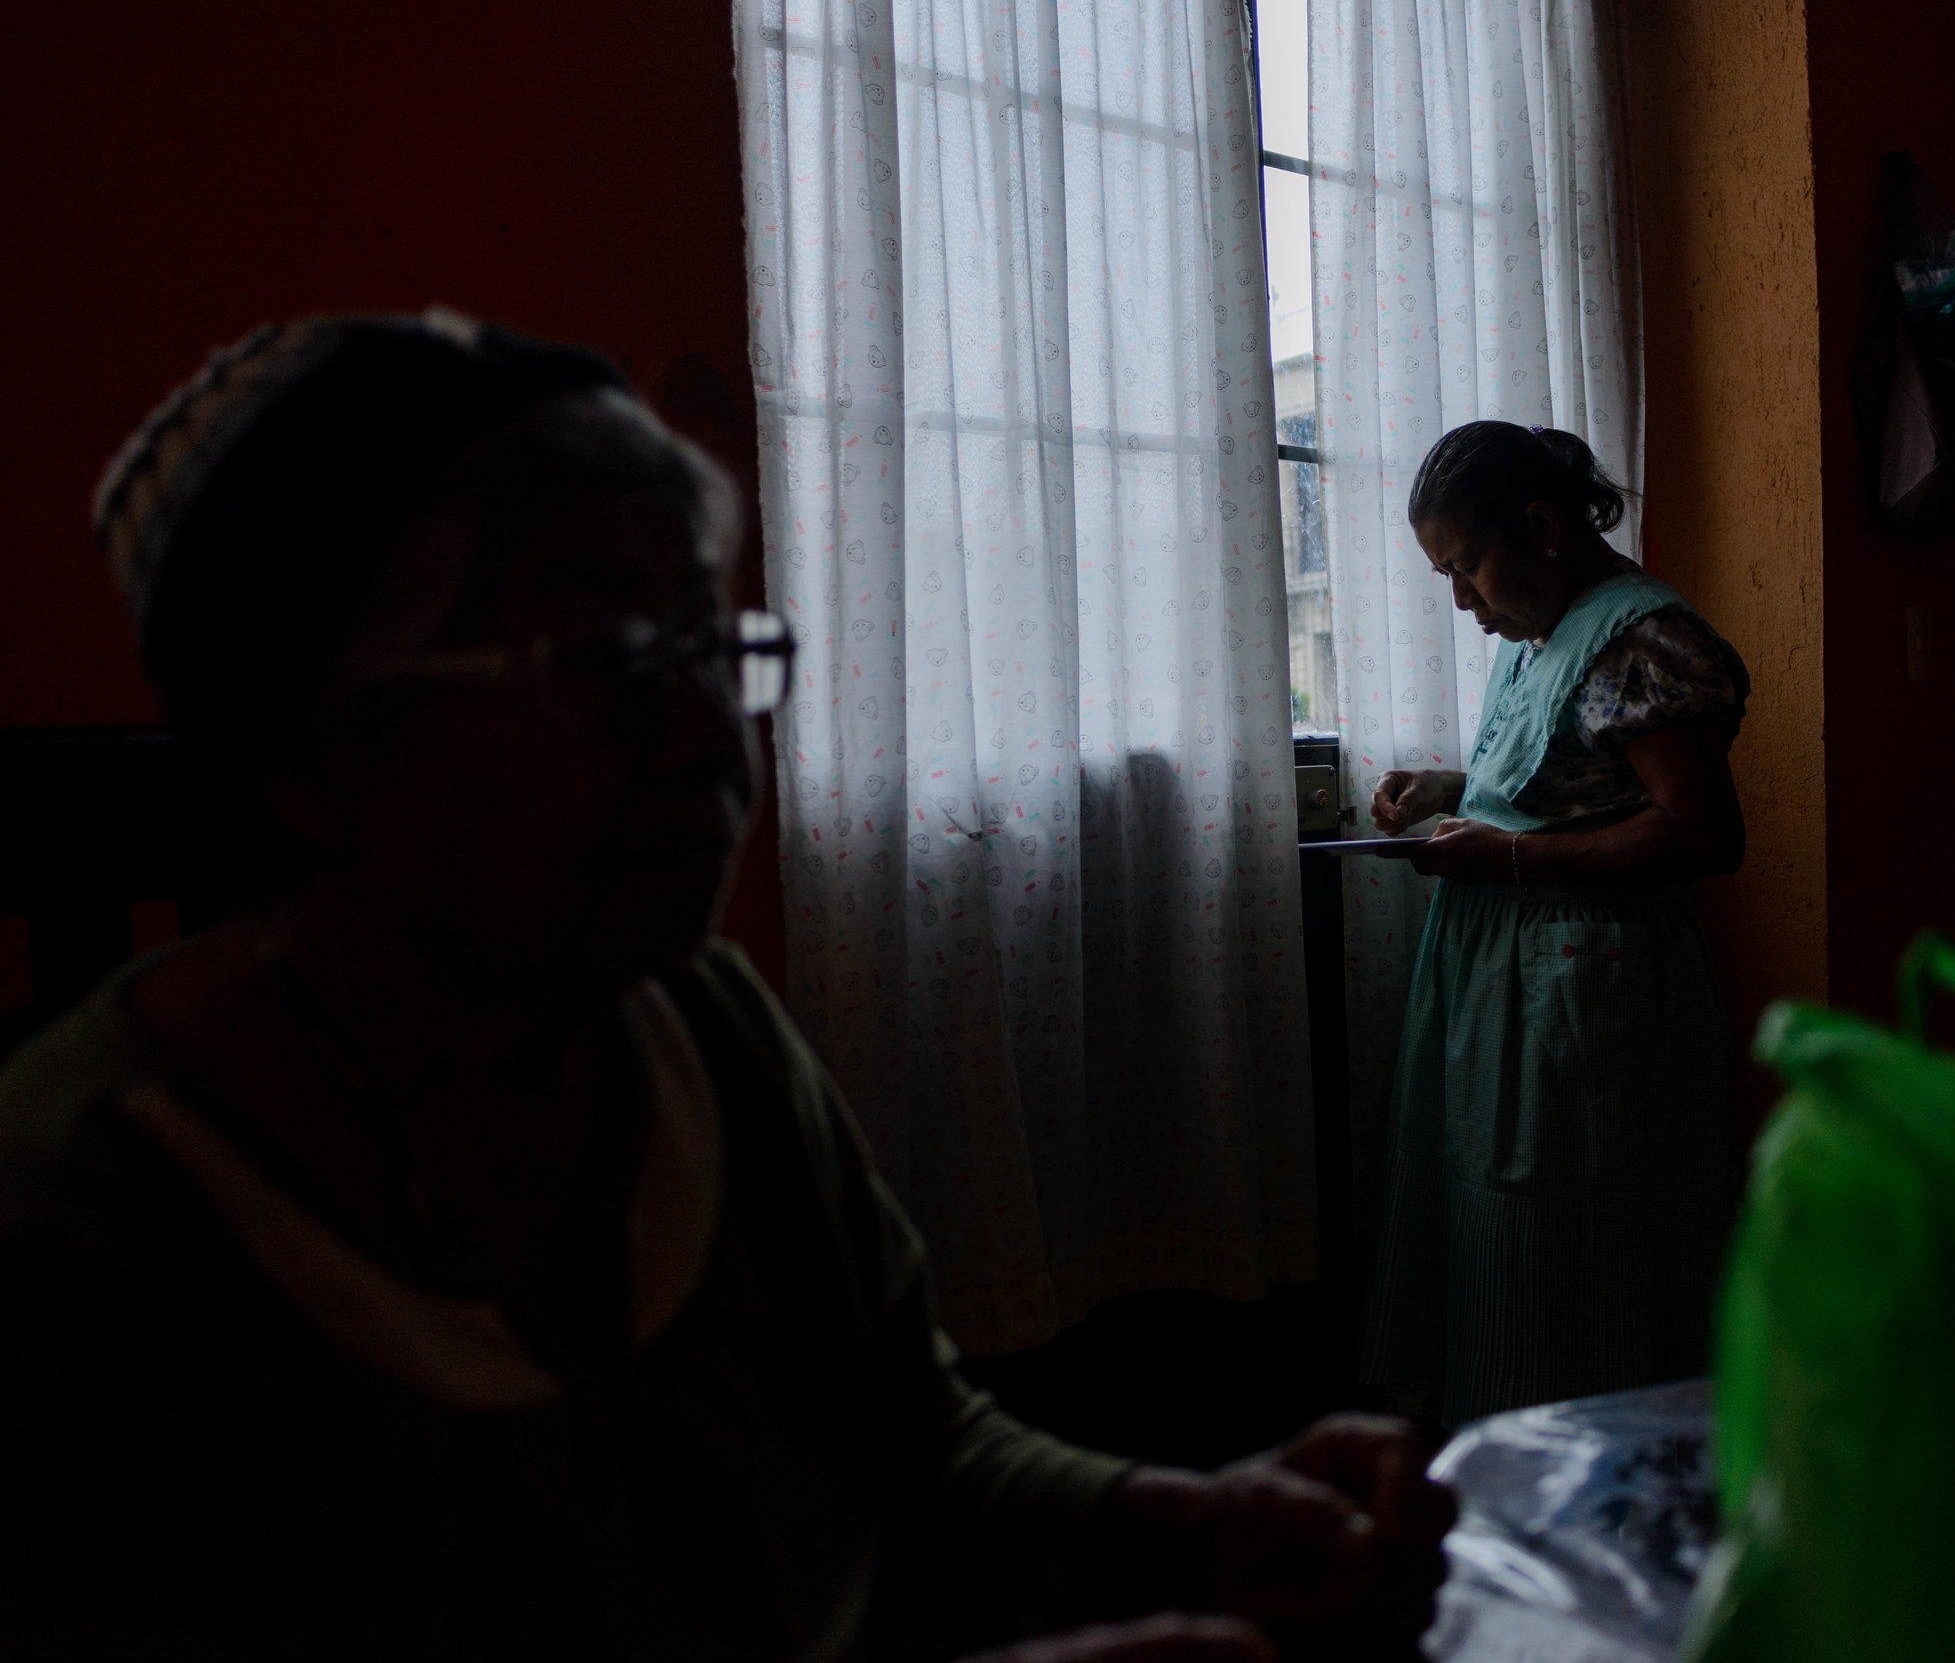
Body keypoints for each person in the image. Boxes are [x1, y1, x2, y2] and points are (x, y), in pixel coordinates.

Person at [0, 313, 1452, 1662]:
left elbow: (919, 1454)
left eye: (711, 645)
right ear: (303, 748)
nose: (707, 735)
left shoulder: (704, 1032)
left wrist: (1180, 1526)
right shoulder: (93, 1234)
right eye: (607, 655)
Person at [1360, 421, 1750, 1428]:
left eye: (1465, 565)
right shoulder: (1540, 632)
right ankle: (1507, 1479)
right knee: (1500, 1235)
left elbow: (1699, 831)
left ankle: (1598, 1499)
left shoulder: (1643, 638)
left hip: (1588, 1000)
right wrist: (1452, 790)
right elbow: (1573, 783)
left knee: (1585, 1254)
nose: (1460, 598)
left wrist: (1514, 857)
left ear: (1539, 525)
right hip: (1508, 996)